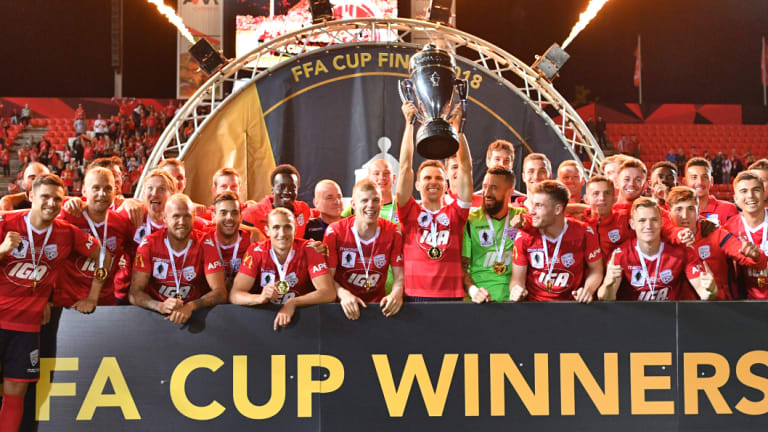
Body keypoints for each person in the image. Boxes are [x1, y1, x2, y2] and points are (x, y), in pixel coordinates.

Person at [0, 174, 102, 431]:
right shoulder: (6, 222)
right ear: (31, 196)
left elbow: (103, 255)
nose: (51, 203)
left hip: (27, 329)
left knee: (16, 394)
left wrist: (93, 295)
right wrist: (2, 249)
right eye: (45, 196)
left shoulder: (67, 233)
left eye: (57, 198)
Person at [396, 101, 472, 301]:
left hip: (452, 296)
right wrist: (409, 125)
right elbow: (404, 167)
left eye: (439, 178)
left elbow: (465, 168)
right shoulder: (408, 211)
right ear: (417, 185)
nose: (433, 182)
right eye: (427, 178)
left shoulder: (456, 212)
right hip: (414, 296)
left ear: (446, 184)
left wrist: (458, 128)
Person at [230, 208, 336, 330]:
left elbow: (329, 293)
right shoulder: (256, 251)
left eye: (288, 227)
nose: (282, 233)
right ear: (267, 230)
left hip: (302, 320)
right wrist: (259, 298)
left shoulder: (309, 249)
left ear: (295, 229)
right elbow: (235, 294)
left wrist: (293, 303)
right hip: (264, 319)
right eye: (276, 227)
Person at [130, 194, 227, 323]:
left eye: (187, 216)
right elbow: (134, 293)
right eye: (176, 216)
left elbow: (220, 293)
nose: (182, 222)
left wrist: (191, 306)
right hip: (157, 316)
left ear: (193, 217)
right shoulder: (149, 244)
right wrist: (159, 306)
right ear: (165, 219)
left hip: (195, 316)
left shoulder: (205, 243)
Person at [598, 197, 717, 302]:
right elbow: (606, 298)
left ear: (661, 222)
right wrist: (608, 285)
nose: (648, 226)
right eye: (642, 221)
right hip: (633, 320)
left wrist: (711, 290)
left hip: (672, 320)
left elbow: (705, 293)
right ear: (632, 224)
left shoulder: (681, 251)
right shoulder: (621, 254)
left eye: (654, 220)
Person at [509, 180, 602, 302]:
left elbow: (597, 270)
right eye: (533, 204)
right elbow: (517, 280)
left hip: (572, 306)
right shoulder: (524, 235)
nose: (531, 211)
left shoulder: (584, 232)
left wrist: (587, 290)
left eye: (539, 205)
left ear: (558, 209)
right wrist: (516, 290)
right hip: (535, 306)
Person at [667, 185, 766, 300]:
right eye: (678, 209)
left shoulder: (716, 233)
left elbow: (754, 261)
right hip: (677, 310)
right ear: (669, 213)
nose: (685, 216)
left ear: (698, 211)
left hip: (719, 306)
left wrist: (755, 256)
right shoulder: (664, 239)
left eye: (691, 209)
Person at [325, 179, 404, 319]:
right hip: (343, 308)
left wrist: (397, 293)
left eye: (375, 200)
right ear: (353, 204)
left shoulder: (393, 232)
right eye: (364, 201)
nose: (371, 205)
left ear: (381, 203)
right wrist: (343, 294)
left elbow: (399, 276)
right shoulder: (335, 232)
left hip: (379, 309)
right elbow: (327, 278)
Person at [55, 167, 134, 307]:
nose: (102, 194)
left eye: (108, 189)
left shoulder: (122, 223)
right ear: (84, 190)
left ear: (115, 191)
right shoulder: (68, 216)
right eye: (96, 188)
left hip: (105, 303)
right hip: (67, 303)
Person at [113, 169, 177, 304]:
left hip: (161, 297)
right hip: (124, 294)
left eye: (161, 189)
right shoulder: (132, 215)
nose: (154, 193)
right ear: (143, 193)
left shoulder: (180, 223)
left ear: (172, 194)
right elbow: (103, 222)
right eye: (150, 188)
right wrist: (125, 203)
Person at [462, 167, 526, 303]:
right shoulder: (470, 220)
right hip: (478, 302)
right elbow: (462, 266)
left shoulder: (523, 217)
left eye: (494, 187)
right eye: (485, 186)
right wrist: (473, 291)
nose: (486, 193)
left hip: (514, 301)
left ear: (510, 192)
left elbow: (553, 210)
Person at [723, 171, 768, 299]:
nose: (750, 196)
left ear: (764, 194)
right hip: (745, 305)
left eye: (756, 190)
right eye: (744, 191)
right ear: (735, 199)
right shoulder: (729, 228)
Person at [242, 164, 312, 239]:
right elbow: (232, 227)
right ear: (272, 189)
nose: (287, 192)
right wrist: (253, 230)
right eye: (281, 187)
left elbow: (319, 215)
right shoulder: (252, 213)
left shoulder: (303, 209)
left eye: (292, 188)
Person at [202, 191, 251, 290]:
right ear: (213, 216)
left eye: (234, 213)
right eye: (223, 213)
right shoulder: (203, 241)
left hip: (242, 301)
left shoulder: (251, 242)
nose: (229, 218)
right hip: (213, 301)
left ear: (241, 217)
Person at [581, 175, 633, 259]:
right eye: (596, 193)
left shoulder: (626, 218)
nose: (602, 198)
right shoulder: (579, 223)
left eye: (607, 193)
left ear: (614, 198)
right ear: (586, 199)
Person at [684, 157, 738, 226]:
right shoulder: (680, 212)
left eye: (705, 177)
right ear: (685, 182)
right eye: (694, 177)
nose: (700, 182)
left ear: (711, 181)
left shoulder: (728, 209)